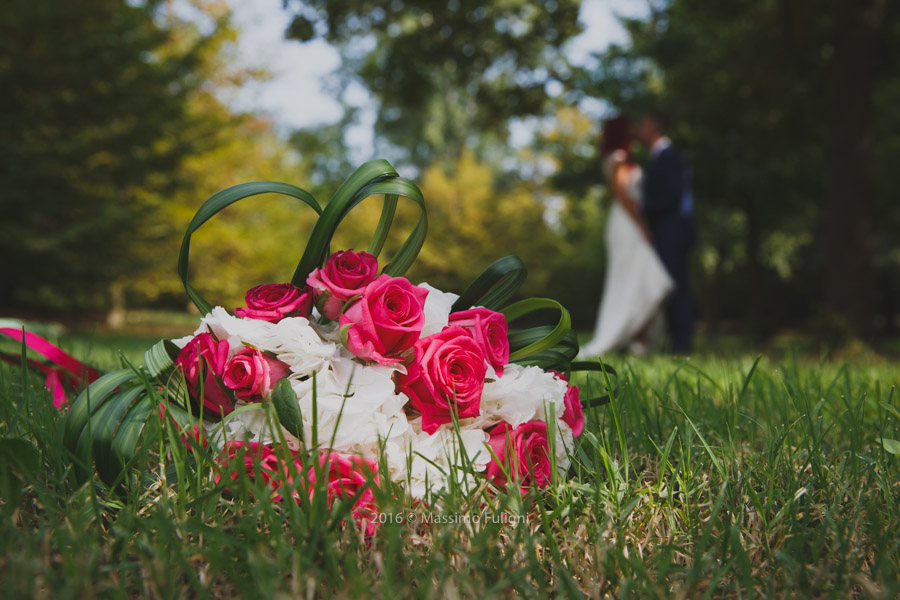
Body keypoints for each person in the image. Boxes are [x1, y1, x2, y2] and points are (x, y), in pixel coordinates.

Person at [581, 115, 674, 357]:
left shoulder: (619, 158)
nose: (635, 129)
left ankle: (637, 337)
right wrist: (641, 225)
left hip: (628, 223)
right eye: (630, 127)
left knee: (643, 280)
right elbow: (623, 197)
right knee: (638, 280)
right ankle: (631, 336)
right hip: (626, 224)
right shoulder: (619, 159)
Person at [633, 112, 695, 353]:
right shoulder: (659, 156)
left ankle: (682, 343)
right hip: (667, 233)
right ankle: (676, 340)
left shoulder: (668, 156)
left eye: (643, 124)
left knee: (676, 287)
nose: (639, 130)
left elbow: (672, 195)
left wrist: (643, 206)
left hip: (673, 234)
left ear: (654, 127)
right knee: (670, 287)